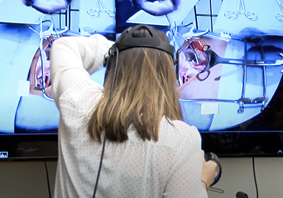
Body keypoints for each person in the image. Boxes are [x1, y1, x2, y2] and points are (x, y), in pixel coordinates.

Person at [50, 25, 218, 197]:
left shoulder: (79, 103)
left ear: (112, 66)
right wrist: (203, 180)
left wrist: (124, 49)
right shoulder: (181, 140)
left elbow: (64, 46)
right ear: (169, 73)